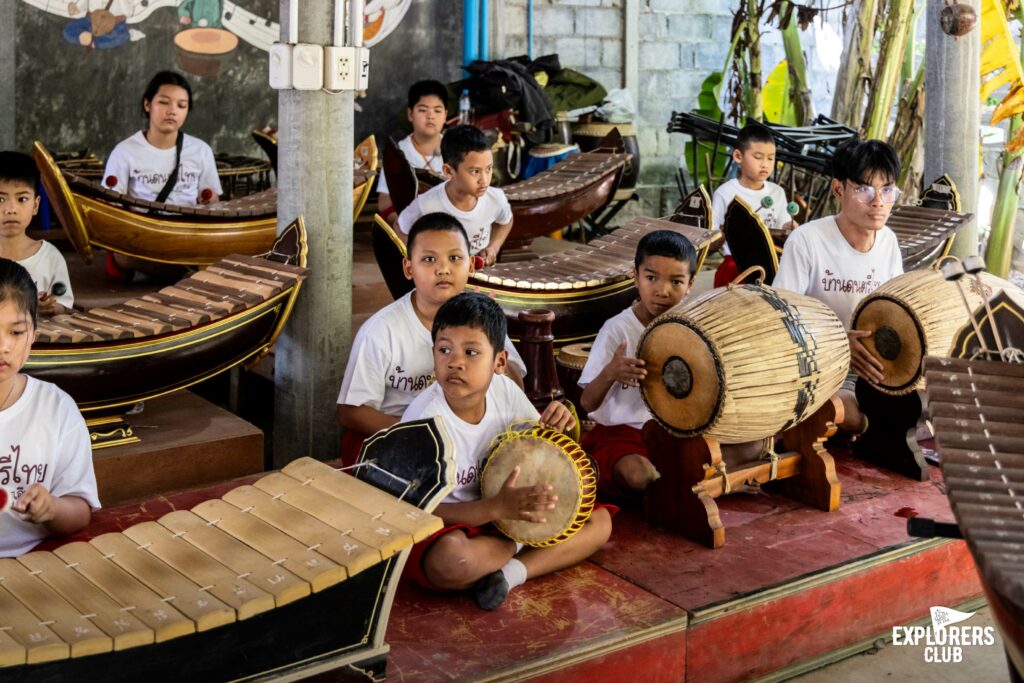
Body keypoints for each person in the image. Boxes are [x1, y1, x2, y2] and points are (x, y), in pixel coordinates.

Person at [401, 292, 612, 610]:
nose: (455, 361)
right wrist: (495, 510)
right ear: (433, 353)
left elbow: (540, 446)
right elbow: (417, 512)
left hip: (507, 511)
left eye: (471, 352)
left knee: (601, 522)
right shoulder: (423, 421)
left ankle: (510, 573)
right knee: (448, 560)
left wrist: (560, 428)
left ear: (499, 362)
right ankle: (520, 546)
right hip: (458, 524)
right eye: (445, 349)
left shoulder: (505, 391)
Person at [337, 212, 526, 466]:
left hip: (465, 432)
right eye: (429, 259)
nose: (443, 268)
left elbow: (514, 388)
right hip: (395, 435)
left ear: (470, 265)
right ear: (408, 268)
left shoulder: (482, 319)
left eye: (455, 258)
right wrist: (420, 434)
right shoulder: (380, 331)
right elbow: (350, 412)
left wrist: (490, 352)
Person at [772, 138, 904, 434]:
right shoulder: (807, 241)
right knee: (841, 409)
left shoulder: (889, 242)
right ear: (838, 189)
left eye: (887, 189)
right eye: (864, 189)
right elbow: (783, 323)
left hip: (875, 369)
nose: (878, 201)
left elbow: (895, 312)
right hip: (821, 370)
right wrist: (840, 343)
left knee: (934, 401)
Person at [578, 230, 696, 498]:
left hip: (673, 434)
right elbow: (587, 403)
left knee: (747, 449)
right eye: (651, 278)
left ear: (691, 283)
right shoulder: (617, 329)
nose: (662, 291)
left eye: (676, 282)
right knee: (640, 476)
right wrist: (610, 372)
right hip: (620, 435)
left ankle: (673, 486)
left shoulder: (691, 328)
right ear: (636, 276)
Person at [0, 259, 99, 558]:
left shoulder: (57, 409)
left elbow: (81, 511)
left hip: (33, 566)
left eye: (16, 332)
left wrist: (52, 508)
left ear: (32, 334)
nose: (2, 346)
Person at [103, 70, 223, 279]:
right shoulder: (125, 151)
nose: (172, 111)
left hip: (187, 234)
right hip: (143, 236)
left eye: (181, 105)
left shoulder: (200, 150)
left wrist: (209, 202)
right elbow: (110, 207)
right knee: (125, 255)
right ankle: (186, 276)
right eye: (164, 102)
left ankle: (182, 273)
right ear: (147, 104)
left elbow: (212, 200)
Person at [396, 125, 513, 266]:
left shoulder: (495, 199)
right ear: (448, 171)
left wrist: (493, 246)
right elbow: (400, 228)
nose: (484, 180)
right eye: (475, 171)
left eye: (488, 169)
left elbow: (506, 220)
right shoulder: (427, 204)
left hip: (480, 280)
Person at [712, 123, 795, 287]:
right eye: (758, 157)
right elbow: (713, 237)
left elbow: (782, 232)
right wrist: (721, 234)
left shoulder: (777, 192)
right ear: (738, 156)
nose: (765, 164)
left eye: (770, 158)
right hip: (736, 262)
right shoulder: (725, 193)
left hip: (772, 260)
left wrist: (790, 228)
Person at [0, 151, 74, 316]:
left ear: (35, 205)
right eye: (1, 199)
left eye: (22, 199)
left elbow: (64, 306)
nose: (11, 209)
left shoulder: (50, 257)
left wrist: (52, 308)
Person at [377, 80, 448, 227]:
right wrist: (402, 222)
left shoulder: (455, 149)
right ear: (410, 114)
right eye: (423, 110)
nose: (430, 116)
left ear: (445, 115)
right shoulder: (398, 153)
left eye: (437, 110)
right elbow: (384, 201)